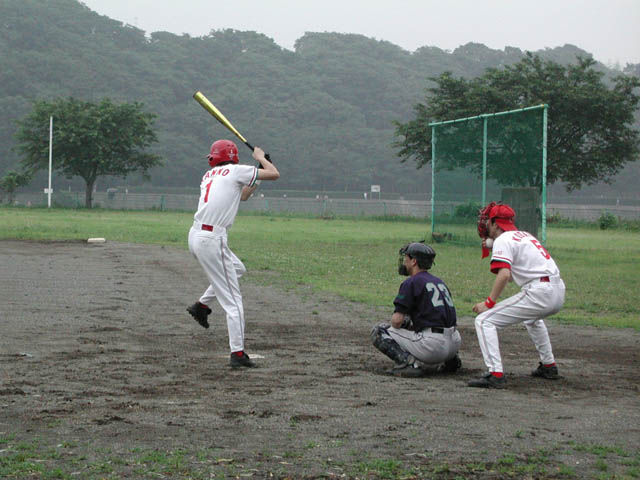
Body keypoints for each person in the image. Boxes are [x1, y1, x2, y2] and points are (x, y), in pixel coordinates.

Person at [186, 139, 280, 368]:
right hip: (212, 239)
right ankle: (237, 354)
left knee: (237, 268)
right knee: (233, 302)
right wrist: (261, 158)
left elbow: (243, 195)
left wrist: (259, 169)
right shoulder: (236, 171)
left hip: (196, 236)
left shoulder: (210, 175)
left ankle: (201, 306)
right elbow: (275, 174)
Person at [468, 203, 565, 389]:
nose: (485, 224)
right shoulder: (525, 236)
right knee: (532, 320)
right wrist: (494, 246)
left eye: (488, 220)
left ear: (496, 224)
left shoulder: (503, 240)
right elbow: (513, 275)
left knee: (484, 321)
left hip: (540, 292)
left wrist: (489, 303)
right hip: (557, 290)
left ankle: (495, 374)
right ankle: (549, 366)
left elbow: (504, 276)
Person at [371, 242, 462, 377]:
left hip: (432, 348)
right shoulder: (439, 281)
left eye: (406, 258)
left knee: (379, 331)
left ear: (414, 261)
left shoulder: (411, 282)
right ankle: (451, 361)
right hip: (454, 343)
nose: (404, 261)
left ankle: (408, 364)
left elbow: (396, 322)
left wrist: (405, 324)